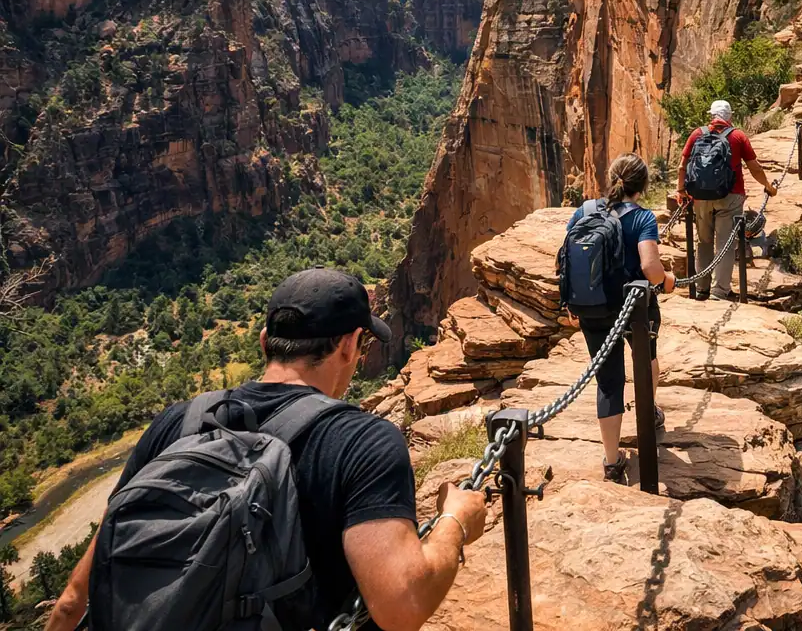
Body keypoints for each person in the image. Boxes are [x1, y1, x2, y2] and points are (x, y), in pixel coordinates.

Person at [45, 269, 487, 631]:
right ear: (350, 344)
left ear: (264, 341)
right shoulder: (362, 442)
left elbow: (70, 602)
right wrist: (456, 521)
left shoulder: (174, 423)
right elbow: (402, 605)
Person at [565, 154, 675, 484]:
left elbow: (570, 259)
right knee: (647, 359)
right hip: (634, 305)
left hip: (593, 307)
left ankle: (612, 462)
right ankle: (649, 410)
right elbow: (650, 268)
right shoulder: (643, 218)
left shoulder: (584, 211)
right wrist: (668, 280)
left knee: (608, 381)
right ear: (642, 185)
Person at [677, 100, 778, 300]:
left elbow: (682, 166)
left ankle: (701, 288)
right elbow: (754, 167)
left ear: (711, 116)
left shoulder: (697, 134)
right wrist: (768, 186)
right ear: (729, 117)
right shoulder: (738, 136)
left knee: (703, 242)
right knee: (725, 243)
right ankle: (719, 291)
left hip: (700, 198)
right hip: (730, 197)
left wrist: (681, 191)